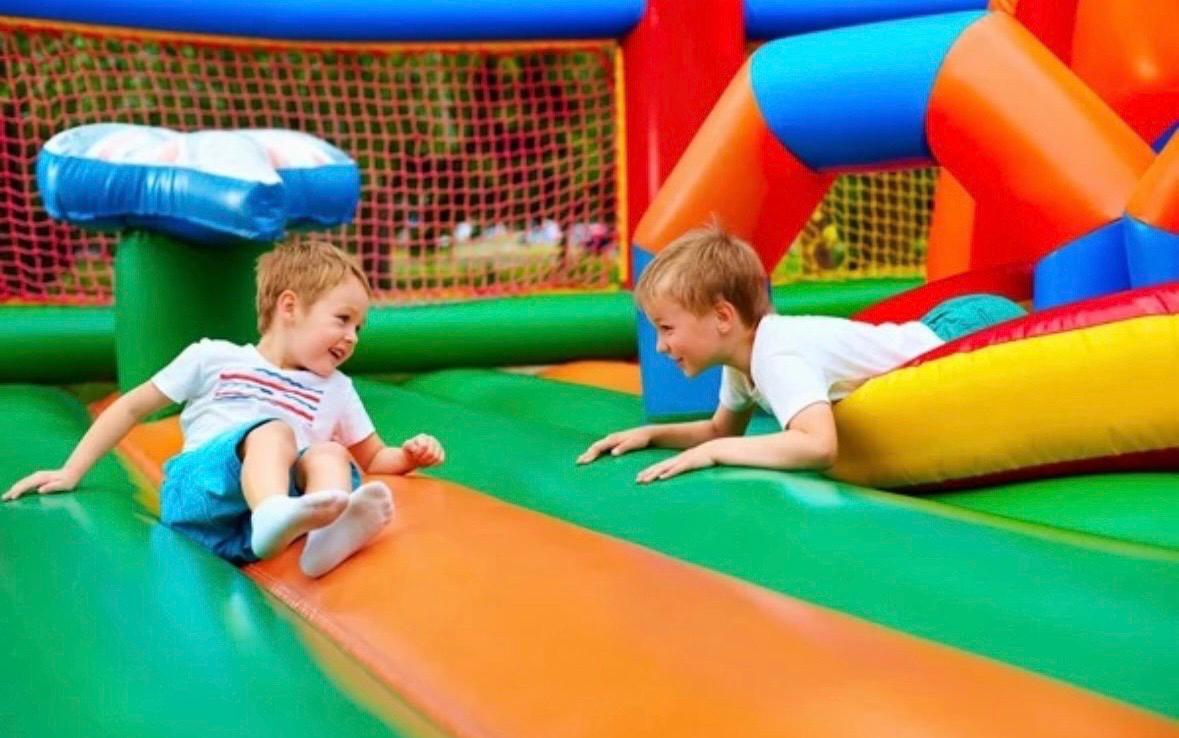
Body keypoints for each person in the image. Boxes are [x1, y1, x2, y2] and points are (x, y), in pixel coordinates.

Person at [3, 240, 444, 577]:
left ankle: (325, 536)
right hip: (201, 499)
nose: (352, 337)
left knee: (331, 453)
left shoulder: (338, 389)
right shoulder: (214, 357)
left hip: (259, 534)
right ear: (289, 307)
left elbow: (373, 456)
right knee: (273, 431)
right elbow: (131, 407)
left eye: (359, 328)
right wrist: (71, 471)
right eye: (342, 319)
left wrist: (409, 456)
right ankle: (273, 512)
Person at [576, 224, 1025, 483]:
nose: (660, 346)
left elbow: (818, 446)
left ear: (723, 317)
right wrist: (651, 435)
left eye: (667, 328)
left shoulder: (776, 354)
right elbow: (718, 429)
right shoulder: (742, 359)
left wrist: (716, 454)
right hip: (940, 325)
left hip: (967, 332)